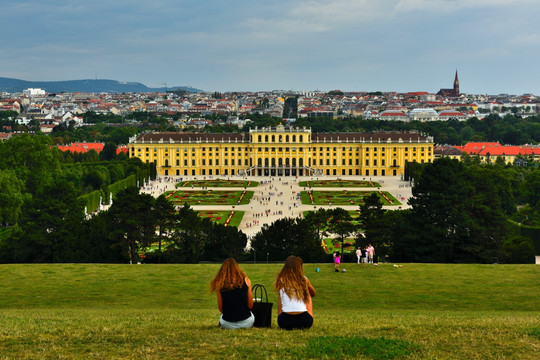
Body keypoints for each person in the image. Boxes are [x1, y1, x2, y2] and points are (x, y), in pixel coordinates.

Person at [210, 258, 254, 329]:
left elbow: (221, 309)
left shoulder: (219, 284)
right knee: (251, 315)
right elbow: (250, 305)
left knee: (222, 317)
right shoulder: (246, 281)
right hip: (246, 323)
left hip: (227, 324)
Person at [275, 255, 316, 330]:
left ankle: (280, 316)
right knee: (308, 294)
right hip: (304, 322)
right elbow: (313, 293)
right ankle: (308, 315)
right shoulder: (304, 279)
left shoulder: (281, 280)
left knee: (281, 295)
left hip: (284, 322)